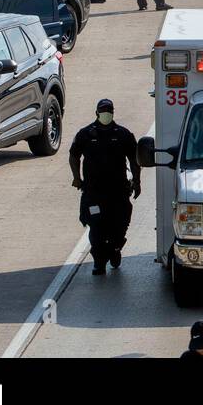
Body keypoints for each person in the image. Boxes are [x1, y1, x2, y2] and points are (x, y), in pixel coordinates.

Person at [69, 99, 140, 276]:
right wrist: (77, 178)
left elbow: (135, 159)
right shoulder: (85, 134)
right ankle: (99, 262)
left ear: (113, 113)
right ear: (97, 113)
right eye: (103, 110)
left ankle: (115, 249)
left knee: (119, 226)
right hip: (94, 192)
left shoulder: (123, 134)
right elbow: (74, 155)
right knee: (96, 227)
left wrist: (137, 182)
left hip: (118, 191)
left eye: (109, 110)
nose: (106, 113)